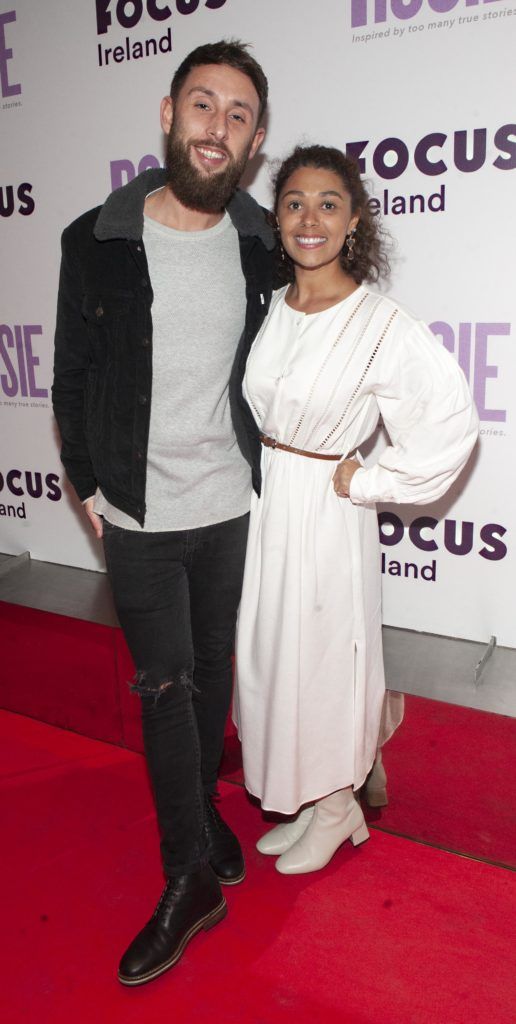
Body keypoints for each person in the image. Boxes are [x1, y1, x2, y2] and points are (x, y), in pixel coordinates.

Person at [52, 40, 275, 985]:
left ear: (255, 139)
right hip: (139, 513)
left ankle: (204, 808)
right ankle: (190, 878)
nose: (216, 127)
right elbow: (71, 378)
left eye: (236, 115)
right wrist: (91, 488)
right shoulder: (94, 239)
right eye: (202, 105)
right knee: (164, 690)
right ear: (167, 111)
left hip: (232, 506)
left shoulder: (266, 243)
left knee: (213, 674)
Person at [234, 145, 478, 874]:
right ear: (276, 217)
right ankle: (308, 797)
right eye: (295, 203)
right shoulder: (272, 305)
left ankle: (339, 807)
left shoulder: (381, 325)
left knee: (324, 662)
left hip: (326, 516)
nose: (310, 219)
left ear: (354, 219)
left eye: (328, 204)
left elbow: (451, 426)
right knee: (276, 657)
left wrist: (367, 482)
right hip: (268, 503)